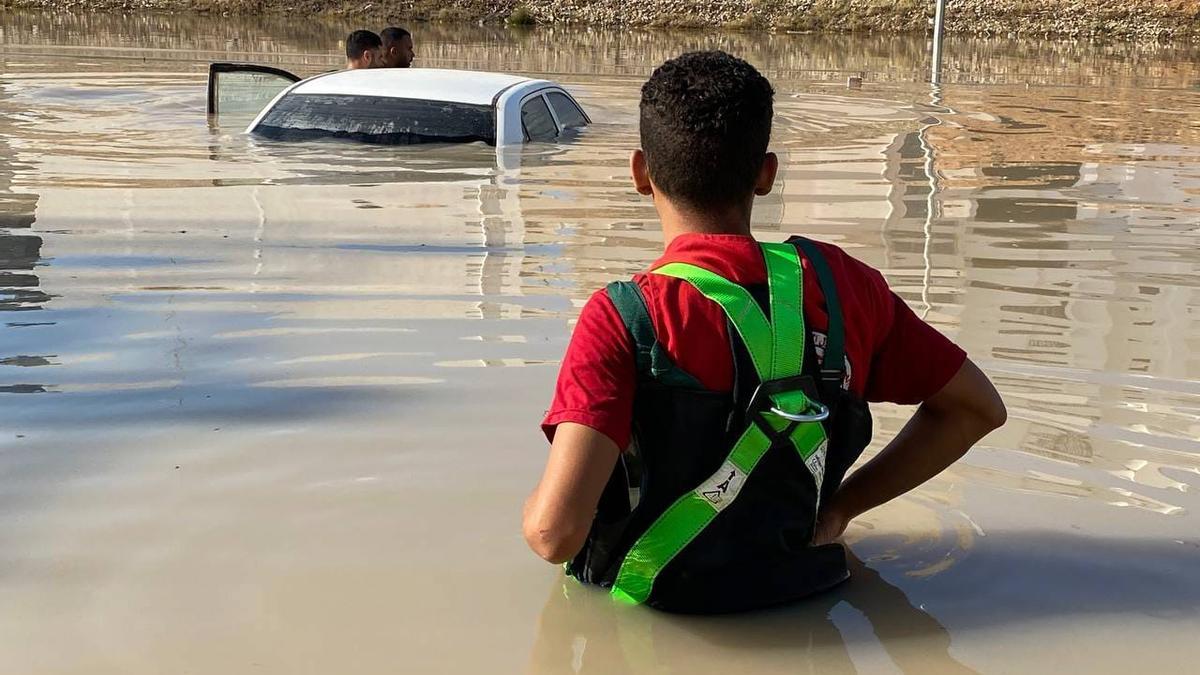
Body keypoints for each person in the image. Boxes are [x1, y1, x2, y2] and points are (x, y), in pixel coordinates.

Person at [522, 51, 1006, 613]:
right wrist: (844, 508)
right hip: (809, 596)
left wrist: (533, 507)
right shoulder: (846, 286)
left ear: (639, 173)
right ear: (767, 174)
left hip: (659, 615)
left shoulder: (624, 317)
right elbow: (978, 409)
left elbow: (554, 535)